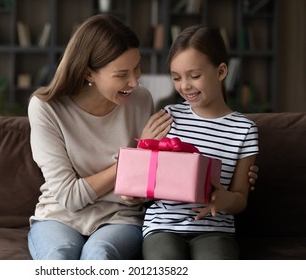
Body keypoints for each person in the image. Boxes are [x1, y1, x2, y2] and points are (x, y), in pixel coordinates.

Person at [27, 14, 259, 260]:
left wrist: (235, 184)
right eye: (121, 74)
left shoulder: (140, 100)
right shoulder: (46, 108)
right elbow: (70, 197)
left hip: (122, 217)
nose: (135, 81)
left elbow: (152, 178)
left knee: (99, 254)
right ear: (88, 74)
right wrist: (137, 158)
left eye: (137, 67)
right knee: (57, 257)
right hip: (61, 215)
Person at [141, 25, 259, 260]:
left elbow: (240, 198)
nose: (184, 85)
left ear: (221, 71)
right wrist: (144, 146)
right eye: (176, 78)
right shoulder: (167, 117)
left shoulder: (244, 130)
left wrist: (226, 199)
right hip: (163, 226)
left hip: (215, 229)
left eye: (195, 76)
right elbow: (143, 180)